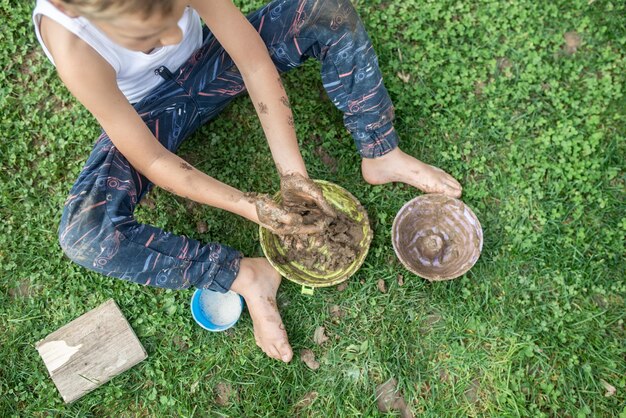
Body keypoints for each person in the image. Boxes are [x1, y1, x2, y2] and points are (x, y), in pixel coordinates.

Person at [33, 0, 462, 363]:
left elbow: (253, 61)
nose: (167, 41)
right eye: (148, 39)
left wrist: (292, 175)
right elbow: (150, 157)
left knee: (325, 10)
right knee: (86, 234)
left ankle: (381, 152)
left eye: (174, 18)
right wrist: (250, 205)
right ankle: (243, 275)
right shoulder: (70, 39)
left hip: (211, 65)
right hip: (148, 116)